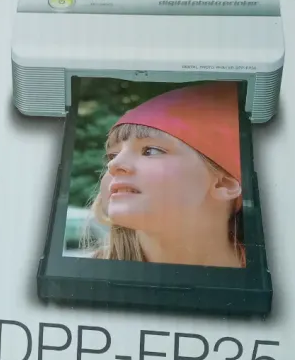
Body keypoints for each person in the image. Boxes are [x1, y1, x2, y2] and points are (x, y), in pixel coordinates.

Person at [87, 82, 245, 267]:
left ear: (224, 183)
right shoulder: (84, 277)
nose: (113, 165)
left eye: (151, 151)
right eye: (112, 155)